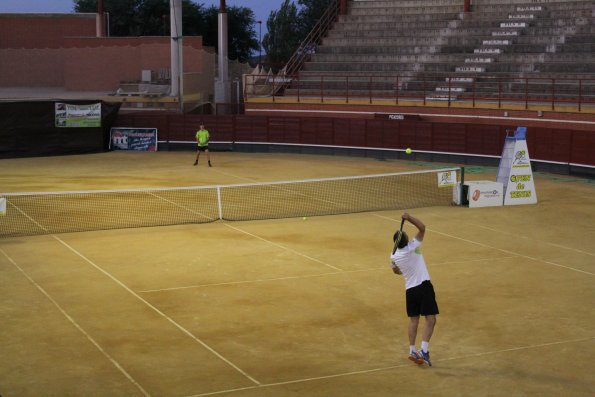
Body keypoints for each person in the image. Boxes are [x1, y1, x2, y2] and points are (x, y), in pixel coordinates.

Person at [390, 212, 438, 367]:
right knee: (431, 319)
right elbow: (422, 228)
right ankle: (423, 350)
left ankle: (412, 349)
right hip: (423, 286)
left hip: (410, 290)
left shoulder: (394, 256)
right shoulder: (414, 246)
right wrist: (409, 218)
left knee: (414, 320)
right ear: (406, 240)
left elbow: (396, 271)